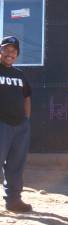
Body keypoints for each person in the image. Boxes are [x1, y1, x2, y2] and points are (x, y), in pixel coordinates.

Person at [0, 36, 32, 212]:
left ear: (17, 54)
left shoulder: (20, 75)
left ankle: (13, 201)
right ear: (0, 51)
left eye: (13, 51)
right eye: (6, 49)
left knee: (16, 165)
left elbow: (27, 97)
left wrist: (26, 120)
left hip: (20, 126)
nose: (10, 53)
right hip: (1, 124)